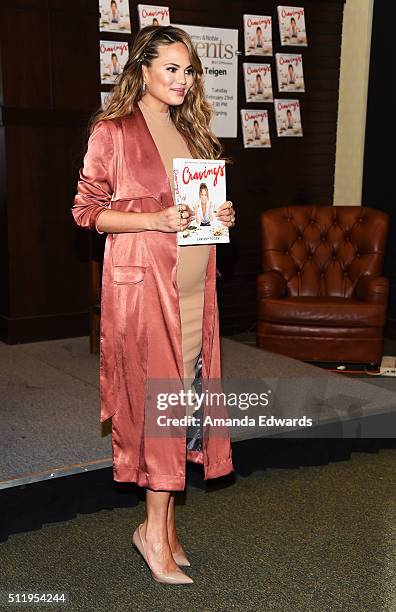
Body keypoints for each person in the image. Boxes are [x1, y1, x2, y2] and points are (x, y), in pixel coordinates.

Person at [71, 25, 236, 585]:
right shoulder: (111, 132)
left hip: (193, 292)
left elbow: (193, 209)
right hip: (145, 295)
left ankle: (161, 530)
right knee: (161, 412)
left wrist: (219, 217)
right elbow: (87, 213)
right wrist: (152, 219)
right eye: (171, 69)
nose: (183, 80)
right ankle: (152, 535)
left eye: (188, 70)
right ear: (141, 69)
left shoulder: (190, 133)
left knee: (182, 406)